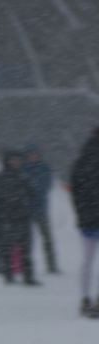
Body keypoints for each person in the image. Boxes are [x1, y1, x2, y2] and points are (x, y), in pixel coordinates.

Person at [0, 150, 40, 286]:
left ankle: (28, 276)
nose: (15, 162)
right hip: (8, 218)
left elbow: (32, 194)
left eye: (18, 160)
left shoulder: (23, 177)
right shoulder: (1, 178)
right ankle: (8, 276)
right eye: (13, 160)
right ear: (7, 161)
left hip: (23, 217)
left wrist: (28, 206)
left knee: (26, 248)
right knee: (7, 248)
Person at [70, 127, 99, 318]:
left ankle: (85, 298)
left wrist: (81, 213)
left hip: (87, 218)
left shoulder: (81, 161)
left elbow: (75, 190)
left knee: (87, 261)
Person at [21, 145, 59, 274]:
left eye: (35, 153)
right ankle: (26, 266)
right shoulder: (23, 168)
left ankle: (52, 265)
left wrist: (34, 190)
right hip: (26, 210)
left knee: (47, 239)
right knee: (27, 240)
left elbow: (46, 186)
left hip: (41, 209)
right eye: (30, 154)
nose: (33, 156)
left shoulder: (44, 168)